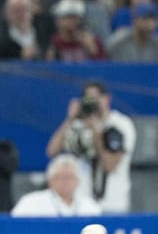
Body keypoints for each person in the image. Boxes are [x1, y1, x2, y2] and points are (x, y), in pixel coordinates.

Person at [45, 80, 136, 213]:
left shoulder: (120, 124)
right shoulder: (78, 125)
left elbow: (109, 166)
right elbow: (51, 151)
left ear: (107, 99)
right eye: (89, 99)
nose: (93, 103)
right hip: (82, 203)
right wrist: (70, 119)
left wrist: (95, 131)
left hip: (112, 202)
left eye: (97, 98)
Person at [11, 156, 102, 217]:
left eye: (70, 177)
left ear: (77, 182)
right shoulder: (30, 203)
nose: (66, 182)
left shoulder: (89, 205)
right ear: (50, 181)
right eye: (60, 177)